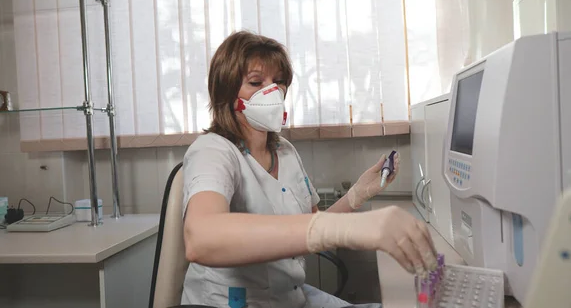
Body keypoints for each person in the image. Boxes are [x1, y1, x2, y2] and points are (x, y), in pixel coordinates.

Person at [182, 31, 438, 308]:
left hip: (291, 297)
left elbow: (315, 226)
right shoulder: (212, 150)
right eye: (256, 82)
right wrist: (359, 227)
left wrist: (358, 194)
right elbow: (200, 237)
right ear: (227, 94)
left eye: (279, 82)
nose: (273, 91)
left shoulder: (284, 150)